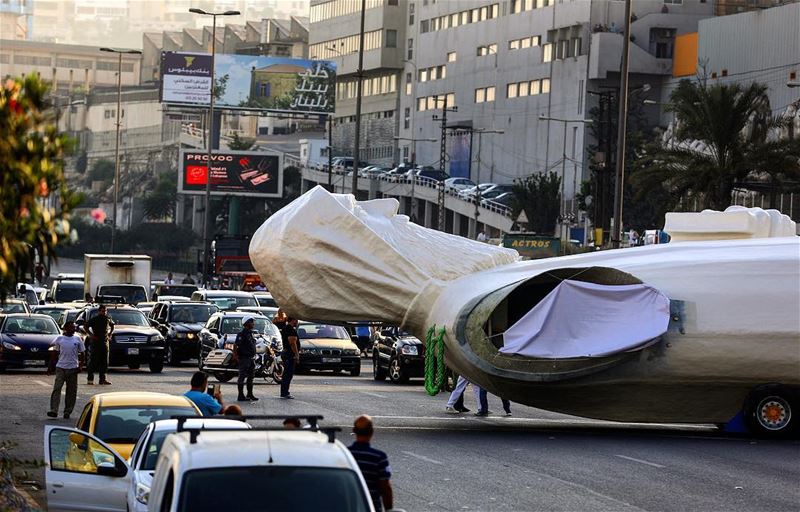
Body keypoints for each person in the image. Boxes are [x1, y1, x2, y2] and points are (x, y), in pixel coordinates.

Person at [348, 415, 393, 512]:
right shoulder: (379, 457)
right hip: (371, 507)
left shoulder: (345, 454)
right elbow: (386, 488)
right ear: (371, 432)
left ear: (354, 431)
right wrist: (389, 509)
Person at [47, 321, 85, 419]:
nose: (73, 329)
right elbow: (55, 353)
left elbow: (83, 354)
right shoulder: (59, 339)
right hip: (61, 367)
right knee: (57, 388)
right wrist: (50, 367)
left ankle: (68, 411)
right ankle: (53, 410)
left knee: (71, 391)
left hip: (73, 368)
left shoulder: (77, 339)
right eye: (71, 327)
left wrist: (80, 366)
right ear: (66, 328)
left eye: (74, 327)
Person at [85, 305, 114, 385]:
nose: (103, 312)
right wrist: (91, 335)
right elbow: (86, 326)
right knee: (93, 361)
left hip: (105, 343)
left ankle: (102, 379)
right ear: (99, 311)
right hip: (96, 343)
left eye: (105, 311)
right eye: (102, 311)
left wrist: (110, 334)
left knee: (104, 362)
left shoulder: (108, 319)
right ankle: (90, 379)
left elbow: (112, 326)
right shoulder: (95, 319)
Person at [234, 317, 259, 402]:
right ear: (247, 323)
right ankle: (240, 395)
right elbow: (236, 345)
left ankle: (250, 394)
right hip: (244, 358)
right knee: (242, 377)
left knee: (251, 377)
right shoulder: (242, 334)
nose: (253, 324)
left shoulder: (250, 333)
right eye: (251, 322)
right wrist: (236, 356)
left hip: (251, 358)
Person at [279, 317, 300, 399]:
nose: (297, 322)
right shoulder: (291, 330)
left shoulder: (285, 328)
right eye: (296, 320)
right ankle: (285, 392)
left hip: (286, 353)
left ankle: (284, 392)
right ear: (293, 320)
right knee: (288, 374)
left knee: (286, 374)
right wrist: (296, 354)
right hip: (290, 354)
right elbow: (292, 343)